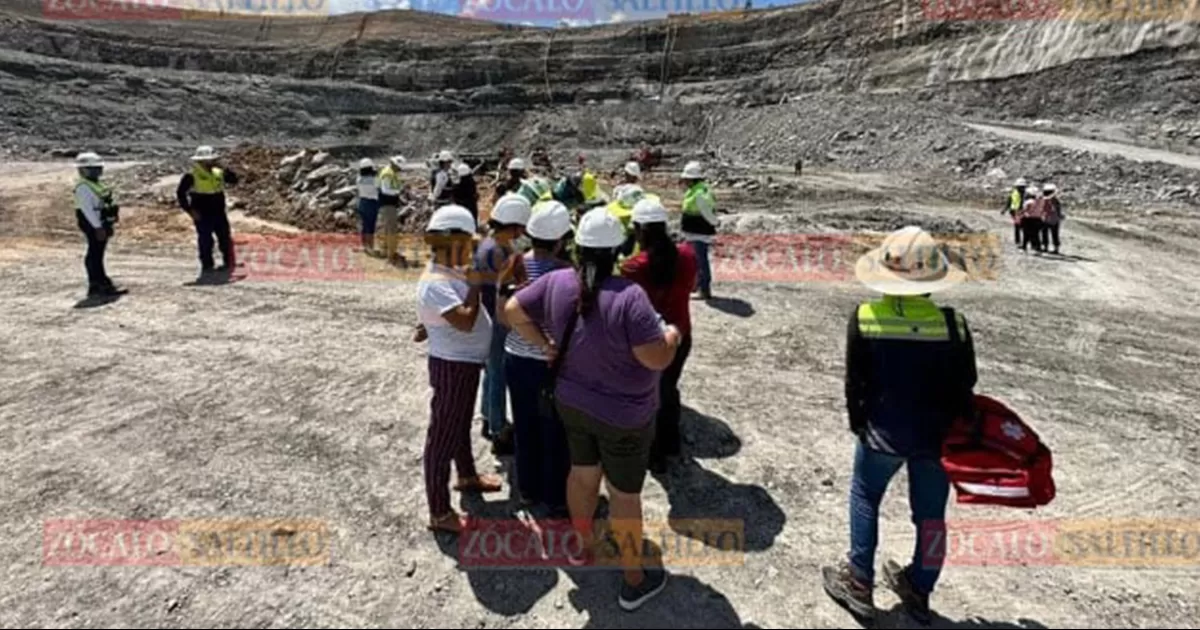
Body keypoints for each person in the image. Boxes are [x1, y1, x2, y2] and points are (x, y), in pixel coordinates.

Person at [505, 208, 681, 612]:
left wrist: (547, 344)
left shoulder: (555, 281)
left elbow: (512, 311)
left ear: (577, 247)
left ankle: (582, 549)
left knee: (582, 475)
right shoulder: (629, 298)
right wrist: (671, 336)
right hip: (625, 417)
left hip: (572, 403)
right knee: (624, 495)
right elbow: (654, 358)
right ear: (618, 249)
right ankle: (634, 579)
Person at [822, 226, 977, 625]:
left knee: (865, 496)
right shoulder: (953, 324)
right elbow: (966, 382)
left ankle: (859, 580)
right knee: (931, 516)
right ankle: (920, 587)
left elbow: (856, 381)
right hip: (936, 437)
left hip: (881, 433)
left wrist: (859, 424)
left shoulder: (866, 318)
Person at [416, 204, 505, 534]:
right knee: (441, 437)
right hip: (453, 366)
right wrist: (477, 284)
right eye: (466, 243)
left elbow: (438, 313)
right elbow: (466, 321)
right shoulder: (435, 281)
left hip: (463, 363)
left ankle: (466, 475)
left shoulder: (450, 269)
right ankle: (439, 512)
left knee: (459, 423)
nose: (470, 249)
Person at [497, 200, 575, 516]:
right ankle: (556, 496)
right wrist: (546, 344)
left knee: (525, 424)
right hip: (552, 363)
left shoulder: (514, 264)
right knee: (556, 429)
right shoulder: (567, 273)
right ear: (560, 240)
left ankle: (527, 489)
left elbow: (504, 317)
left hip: (516, 358)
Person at [620, 197, 698, 474]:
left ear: (640, 231)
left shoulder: (633, 267)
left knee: (648, 393)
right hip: (681, 334)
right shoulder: (688, 255)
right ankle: (671, 442)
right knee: (668, 387)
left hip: (647, 339)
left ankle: (653, 453)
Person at [475, 193, 533, 455]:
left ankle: (488, 417)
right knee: (498, 374)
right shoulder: (499, 252)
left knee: (491, 372)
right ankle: (499, 430)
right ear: (514, 224)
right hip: (497, 323)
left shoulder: (490, 245)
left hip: (486, 320)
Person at [176, 145, 239, 276]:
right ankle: (207, 265)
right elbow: (181, 193)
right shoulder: (191, 175)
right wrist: (189, 211)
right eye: (208, 160)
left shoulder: (218, 172)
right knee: (205, 239)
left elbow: (234, 180)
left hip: (219, 212)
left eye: (212, 160)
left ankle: (229, 262)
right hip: (202, 213)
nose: (211, 162)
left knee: (224, 237)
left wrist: (224, 168)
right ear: (200, 161)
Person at [73, 151, 125, 297]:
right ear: (83, 170)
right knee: (94, 254)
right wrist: (98, 227)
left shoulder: (94, 184)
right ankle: (96, 284)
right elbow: (87, 210)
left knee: (98, 253)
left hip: (100, 222)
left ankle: (101, 281)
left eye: (98, 168)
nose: (97, 171)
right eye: (93, 168)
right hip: (93, 223)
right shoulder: (83, 187)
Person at [679, 161, 718, 300]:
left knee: (700, 261)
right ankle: (696, 286)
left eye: (686, 179)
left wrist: (715, 222)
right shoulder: (697, 189)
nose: (684, 181)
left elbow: (707, 212)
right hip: (694, 232)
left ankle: (704, 290)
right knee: (695, 260)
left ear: (692, 178)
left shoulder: (700, 193)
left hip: (699, 233)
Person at [378, 155, 405, 264]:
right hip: (388, 204)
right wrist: (397, 192)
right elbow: (385, 190)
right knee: (392, 230)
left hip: (388, 204)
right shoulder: (388, 174)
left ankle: (385, 250)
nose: (399, 170)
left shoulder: (389, 172)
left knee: (387, 228)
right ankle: (391, 254)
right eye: (399, 168)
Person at [355, 158, 380, 254]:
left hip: (362, 202)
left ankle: (365, 245)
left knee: (364, 225)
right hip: (371, 203)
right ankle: (370, 246)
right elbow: (378, 188)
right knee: (371, 225)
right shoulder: (374, 179)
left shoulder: (359, 179)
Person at [1001, 177, 1028, 246]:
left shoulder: (1027, 194)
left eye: (1023, 187)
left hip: (1023, 211)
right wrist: (1004, 209)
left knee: (1023, 226)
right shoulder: (1014, 193)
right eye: (1020, 187)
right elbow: (1009, 201)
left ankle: (1024, 241)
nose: (1022, 188)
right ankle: (1018, 241)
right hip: (1015, 212)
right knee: (1018, 226)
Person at [1019, 185, 1045, 254]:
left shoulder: (1028, 202)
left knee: (1026, 234)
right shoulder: (1041, 202)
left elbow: (1024, 210)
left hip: (1028, 219)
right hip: (1038, 219)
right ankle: (1037, 249)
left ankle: (1024, 247)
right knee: (1036, 235)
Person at [1040, 183, 1063, 254]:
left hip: (1045, 218)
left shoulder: (1043, 199)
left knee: (1045, 233)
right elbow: (1058, 209)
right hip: (1054, 219)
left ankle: (1045, 247)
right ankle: (1056, 248)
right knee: (1054, 234)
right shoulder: (1056, 200)